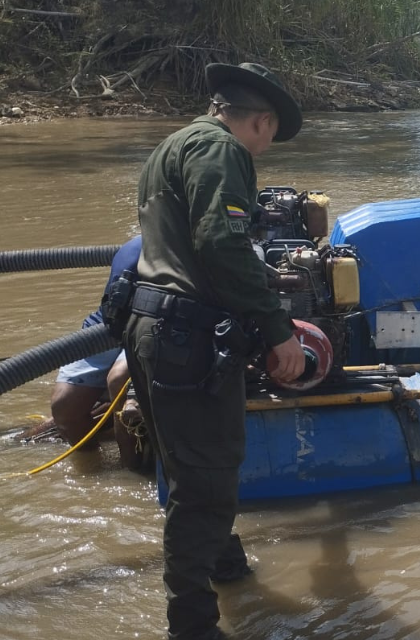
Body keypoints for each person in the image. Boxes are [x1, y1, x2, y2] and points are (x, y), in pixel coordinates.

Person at [122, 62, 306, 640]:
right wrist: (279, 329)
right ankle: (193, 627)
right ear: (263, 121)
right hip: (188, 337)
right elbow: (221, 245)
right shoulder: (225, 151)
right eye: (270, 135)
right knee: (205, 482)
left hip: (150, 326)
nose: (265, 145)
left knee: (190, 470)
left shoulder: (171, 146)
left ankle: (227, 570)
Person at [46, 235, 149, 468]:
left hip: (155, 328)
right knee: (64, 406)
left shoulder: (198, 247)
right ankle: (94, 462)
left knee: (118, 379)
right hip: (109, 327)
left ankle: (131, 469)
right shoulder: (135, 246)